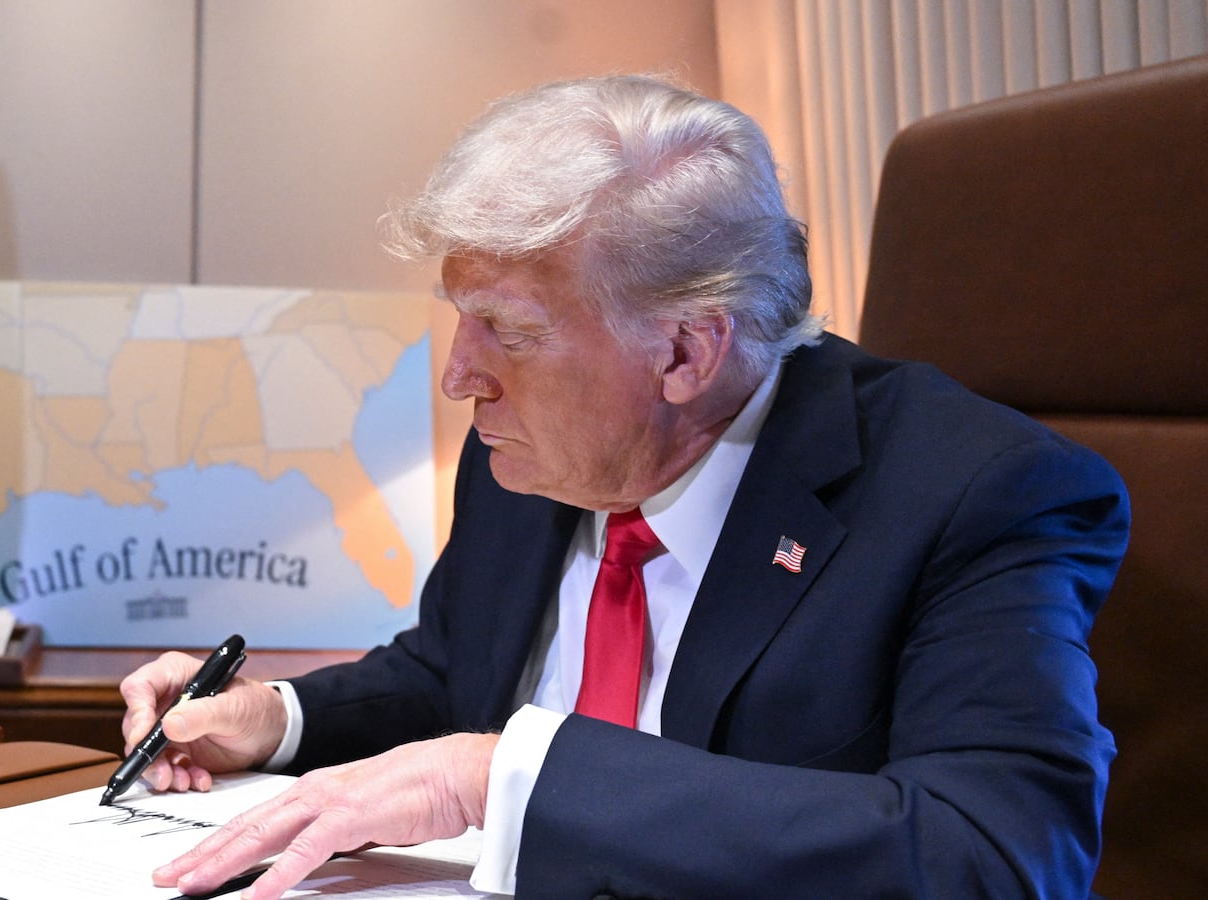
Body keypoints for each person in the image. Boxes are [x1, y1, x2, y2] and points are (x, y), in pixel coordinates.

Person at [118, 74, 1127, 898]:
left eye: (508, 332)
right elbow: (453, 672)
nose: (459, 377)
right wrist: (277, 717)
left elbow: (994, 856)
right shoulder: (527, 446)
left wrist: (494, 778)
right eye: (459, 319)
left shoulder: (978, 494)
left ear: (686, 351)